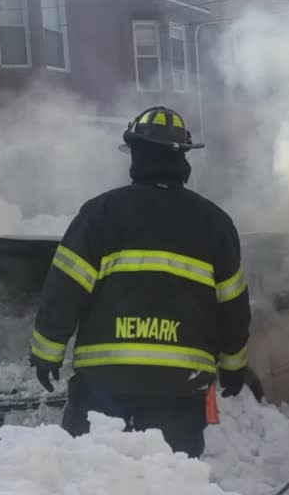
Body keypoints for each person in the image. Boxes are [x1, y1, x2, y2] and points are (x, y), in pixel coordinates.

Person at [29, 106, 252, 459]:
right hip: (180, 389)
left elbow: (64, 289)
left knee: (94, 490)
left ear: (136, 155)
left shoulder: (100, 214)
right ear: (183, 161)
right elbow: (233, 307)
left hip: (105, 385)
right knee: (171, 490)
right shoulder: (215, 224)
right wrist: (234, 365)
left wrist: (46, 353)